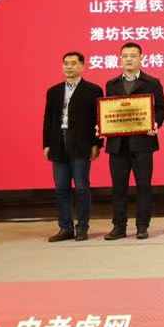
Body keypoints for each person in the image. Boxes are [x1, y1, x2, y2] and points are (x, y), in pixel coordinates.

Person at [103, 42, 164, 240]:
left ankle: (142, 226)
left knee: (144, 186)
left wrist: (155, 123)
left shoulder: (152, 82)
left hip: (143, 143)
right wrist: (103, 124)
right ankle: (119, 226)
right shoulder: (111, 84)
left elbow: (161, 108)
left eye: (132, 56)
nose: (128, 59)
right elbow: (107, 111)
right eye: (125, 56)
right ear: (120, 59)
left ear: (141, 59)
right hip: (118, 144)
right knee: (118, 188)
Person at [42, 52, 103, 242]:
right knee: (61, 187)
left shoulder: (93, 90)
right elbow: (48, 120)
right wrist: (46, 144)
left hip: (81, 145)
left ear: (82, 66)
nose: (68, 67)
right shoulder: (53, 91)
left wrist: (97, 144)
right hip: (58, 144)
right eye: (66, 63)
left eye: (73, 63)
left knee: (82, 187)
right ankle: (65, 227)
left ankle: (82, 227)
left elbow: (98, 119)